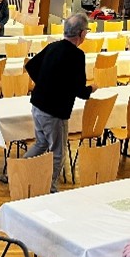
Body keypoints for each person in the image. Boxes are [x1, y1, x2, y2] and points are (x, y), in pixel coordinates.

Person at [24, 13, 96, 192]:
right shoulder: (77, 55)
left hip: (37, 105)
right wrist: (91, 88)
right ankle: (50, 190)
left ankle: (18, 171)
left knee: (41, 143)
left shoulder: (53, 46)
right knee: (58, 153)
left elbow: (31, 66)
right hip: (54, 112)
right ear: (81, 34)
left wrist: (44, 83)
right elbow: (80, 91)